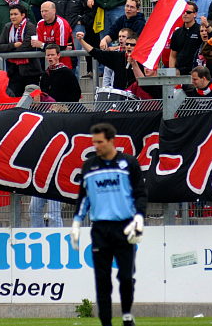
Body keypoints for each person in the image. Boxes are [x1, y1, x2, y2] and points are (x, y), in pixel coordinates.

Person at [70, 122, 147, 326]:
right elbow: (83, 197)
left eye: (100, 142)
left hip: (124, 227)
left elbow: (140, 193)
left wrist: (139, 217)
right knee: (102, 279)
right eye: (94, 142)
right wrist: (76, 222)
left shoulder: (128, 163)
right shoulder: (89, 166)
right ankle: (106, 322)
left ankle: (127, 314)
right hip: (100, 230)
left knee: (126, 276)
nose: (96, 146)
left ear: (111, 141)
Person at [0, 4, 41, 97]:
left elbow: (27, 47)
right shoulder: (7, 27)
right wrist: (14, 45)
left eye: (15, 14)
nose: (12, 17)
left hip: (30, 71)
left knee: (31, 99)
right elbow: (0, 47)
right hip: (13, 71)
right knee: (14, 98)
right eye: (11, 14)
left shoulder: (30, 27)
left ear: (23, 15)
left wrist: (9, 51)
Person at [34, 1, 74, 68]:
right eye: (42, 11)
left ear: (54, 11)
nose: (43, 14)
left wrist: (42, 45)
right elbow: (38, 46)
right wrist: (42, 45)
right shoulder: (40, 23)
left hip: (65, 63)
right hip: (47, 64)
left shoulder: (61, 23)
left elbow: (60, 47)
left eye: (46, 11)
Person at [169, 2, 202, 75]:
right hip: (179, 72)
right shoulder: (177, 32)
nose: (185, 14)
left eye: (188, 12)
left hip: (196, 72)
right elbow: (172, 55)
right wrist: (172, 73)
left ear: (195, 14)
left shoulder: (201, 30)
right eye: (183, 12)